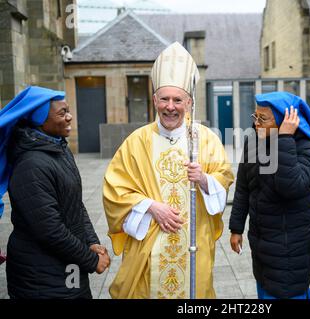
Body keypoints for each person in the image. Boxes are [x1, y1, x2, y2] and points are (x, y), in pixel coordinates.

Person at [103, 42, 234, 299]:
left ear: (189, 101)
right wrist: (150, 206)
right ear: (155, 100)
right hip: (149, 248)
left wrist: (205, 180)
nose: (170, 106)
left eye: (177, 100)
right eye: (164, 99)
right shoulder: (137, 141)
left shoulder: (205, 138)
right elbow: (113, 190)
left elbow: (225, 176)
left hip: (193, 244)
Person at [0, 86, 110, 299]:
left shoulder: (60, 150)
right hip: (39, 276)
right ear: (41, 120)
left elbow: (75, 204)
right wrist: (90, 260)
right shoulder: (31, 164)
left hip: (66, 266)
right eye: (62, 113)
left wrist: (91, 242)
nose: (70, 117)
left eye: (68, 110)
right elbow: (49, 229)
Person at [229, 91, 310, 299]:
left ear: (287, 121)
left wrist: (284, 138)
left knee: (288, 288)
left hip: (292, 241)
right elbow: (243, 187)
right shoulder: (254, 141)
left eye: (263, 119)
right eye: (255, 117)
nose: (256, 123)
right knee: (266, 285)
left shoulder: (307, 147)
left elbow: (292, 187)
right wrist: (236, 227)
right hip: (262, 238)